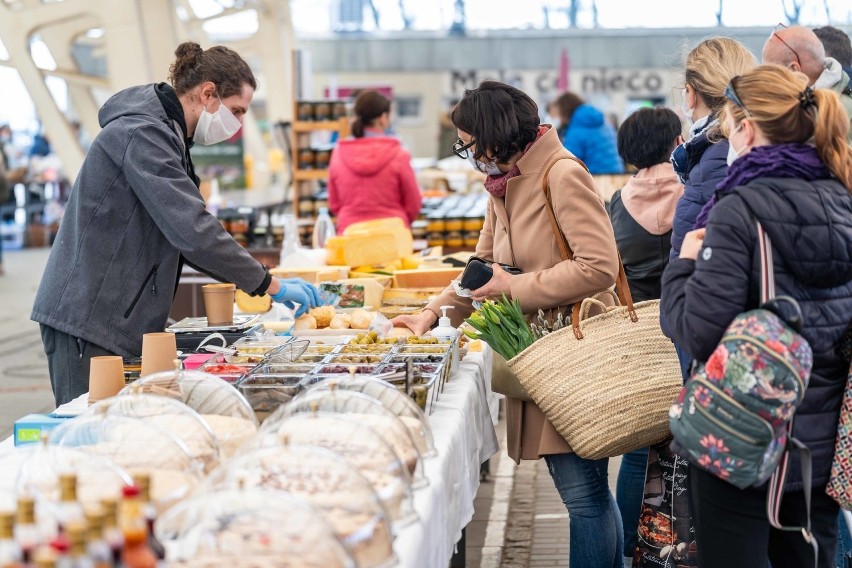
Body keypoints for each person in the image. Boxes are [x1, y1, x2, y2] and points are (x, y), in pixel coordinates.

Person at [394, 80, 622, 568]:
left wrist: (514, 288)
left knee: (583, 497)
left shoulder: (560, 175)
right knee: (587, 496)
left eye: (469, 142)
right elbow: (480, 268)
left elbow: (600, 266)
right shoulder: (504, 182)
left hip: (571, 352)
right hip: (541, 353)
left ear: (495, 136)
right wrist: (432, 312)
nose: (468, 153)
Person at [31, 42, 322, 406]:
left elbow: (187, 234)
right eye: (236, 111)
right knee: (90, 434)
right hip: (89, 318)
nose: (238, 125)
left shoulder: (168, 135)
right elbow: (193, 230)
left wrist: (262, 280)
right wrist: (268, 284)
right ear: (207, 93)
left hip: (116, 316)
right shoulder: (143, 134)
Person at [661, 64, 852, 568]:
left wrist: (681, 267)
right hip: (822, 443)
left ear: (745, 129)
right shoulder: (843, 196)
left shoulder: (739, 207)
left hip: (743, 436)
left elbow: (698, 331)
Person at [609, 107, 684, 565]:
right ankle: (680, 546)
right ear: (676, 141)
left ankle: (628, 552)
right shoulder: (697, 193)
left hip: (639, 342)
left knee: (637, 453)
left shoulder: (615, 203)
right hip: (688, 335)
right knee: (689, 449)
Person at [667, 36, 756, 378]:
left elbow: (713, 259)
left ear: (691, 93)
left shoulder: (715, 158)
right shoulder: (719, 152)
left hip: (715, 341)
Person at [327, 90, 422, 233]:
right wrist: (399, 222)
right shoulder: (398, 153)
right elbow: (413, 202)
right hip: (392, 236)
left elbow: (334, 203)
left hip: (351, 236)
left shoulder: (338, 153)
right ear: (383, 118)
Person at [762, 24, 852, 141]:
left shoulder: (843, 118)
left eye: (769, 73)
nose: (763, 82)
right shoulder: (787, 111)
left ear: (794, 71)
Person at [547, 91, 623, 174]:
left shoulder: (577, 128)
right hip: (616, 174)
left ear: (564, 110)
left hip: (595, 178)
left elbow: (567, 160)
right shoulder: (603, 122)